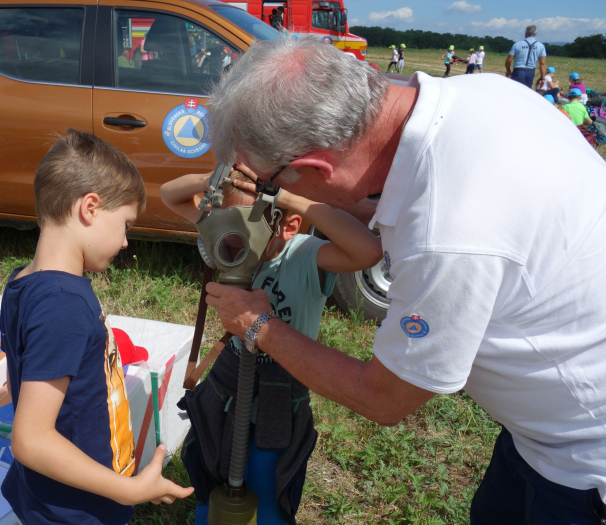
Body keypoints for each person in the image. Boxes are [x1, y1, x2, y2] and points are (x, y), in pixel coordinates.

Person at [205, 35, 606, 524]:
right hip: (540, 432)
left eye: (272, 183)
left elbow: (385, 398)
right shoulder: (484, 95)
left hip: (582, 464)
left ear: (313, 167)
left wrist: (258, 324)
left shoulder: (448, 230)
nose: (274, 194)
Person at [160, 168, 382, 525]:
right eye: (227, 227)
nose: (232, 243)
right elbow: (170, 193)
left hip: (281, 393)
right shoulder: (225, 237)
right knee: (213, 462)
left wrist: (289, 199)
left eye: (245, 231)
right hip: (230, 381)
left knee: (267, 481)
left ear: (287, 226)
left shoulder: (306, 257)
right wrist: (214, 180)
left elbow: (369, 251)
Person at [0, 129, 194, 525]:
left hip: (54, 495)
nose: (125, 241)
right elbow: (31, 439)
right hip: (76, 509)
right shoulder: (63, 303)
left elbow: (22, 372)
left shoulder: (24, 281)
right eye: (125, 224)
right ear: (89, 208)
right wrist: (133, 490)